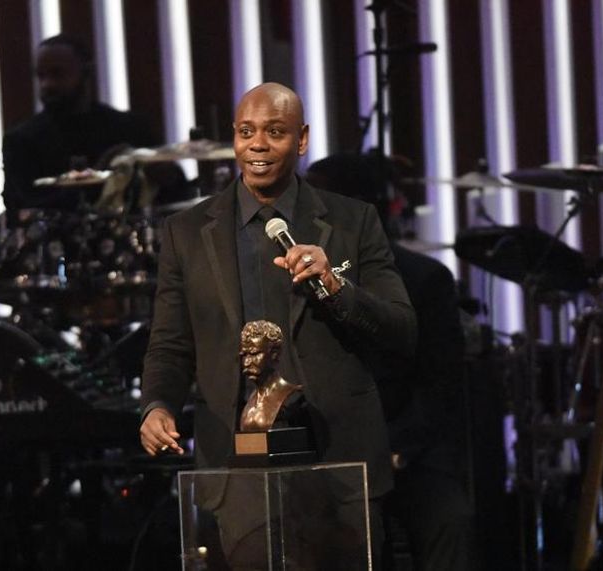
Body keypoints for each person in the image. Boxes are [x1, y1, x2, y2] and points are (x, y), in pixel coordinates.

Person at [139, 82, 417, 564]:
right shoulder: (186, 232)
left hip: (338, 458)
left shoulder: (354, 223)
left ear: (302, 139)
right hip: (238, 463)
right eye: (247, 132)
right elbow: (170, 342)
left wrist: (333, 285)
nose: (258, 145)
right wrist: (157, 404)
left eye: (274, 131)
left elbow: (401, 332)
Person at [307, 152, 477, 570]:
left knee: (450, 521)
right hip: (328, 456)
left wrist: (393, 450)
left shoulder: (424, 280)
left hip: (407, 452)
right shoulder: (296, 282)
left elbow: (440, 387)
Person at [2, 35, 156, 211]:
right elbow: (23, 208)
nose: (47, 84)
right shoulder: (21, 140)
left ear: (86, 72)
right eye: (41, 75)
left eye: (57, 74)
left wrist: (168, 175)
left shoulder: (129, 127)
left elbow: (174, 193)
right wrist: (99, 175)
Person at [237, 320, 304, 432]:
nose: (247, 362)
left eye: (254, 354)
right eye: (244, 355)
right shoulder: (250, 400)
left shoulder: (291, 397)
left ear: (274, 354)